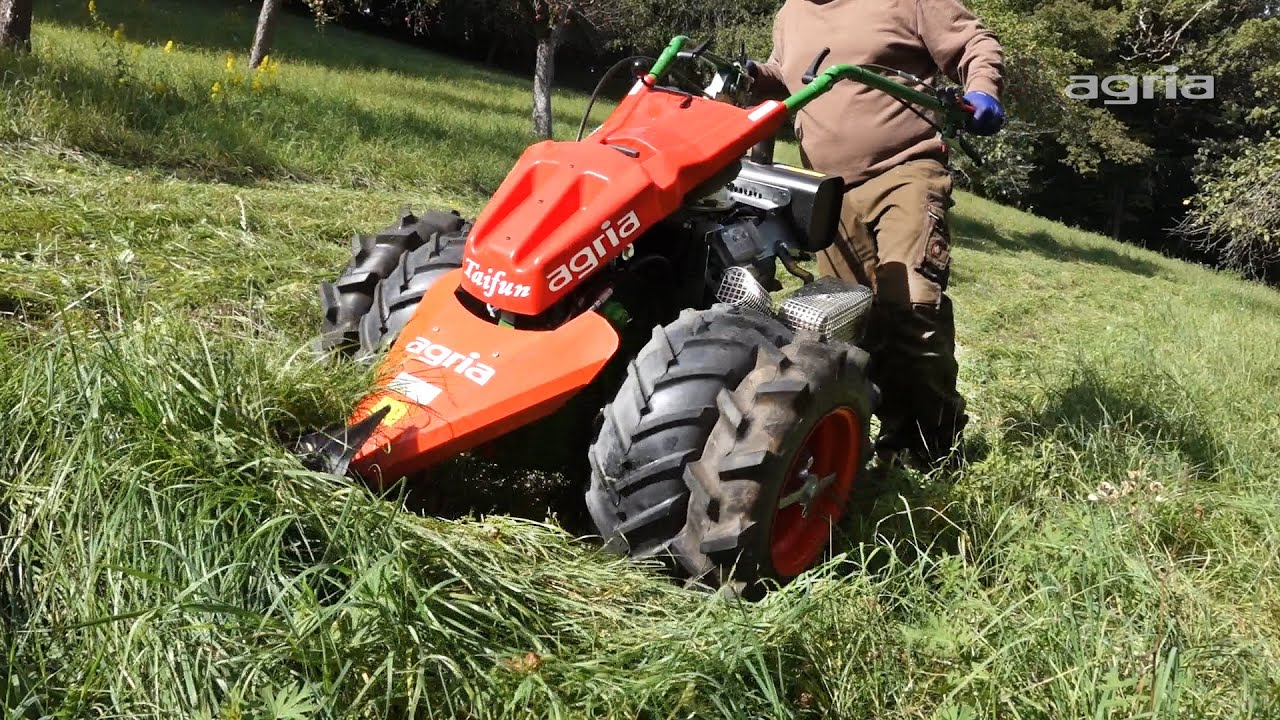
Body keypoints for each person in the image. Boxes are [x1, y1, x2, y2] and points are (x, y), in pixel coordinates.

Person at [745, 0, 1006, 469]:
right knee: (848, 321)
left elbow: (974, 43)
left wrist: (983, 88)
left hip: (905, 168)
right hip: (828, 190)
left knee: (909, 302)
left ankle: (931, 443)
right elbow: (787, 76)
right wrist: (752, 77)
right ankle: (857, 438)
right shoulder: (791, 12)